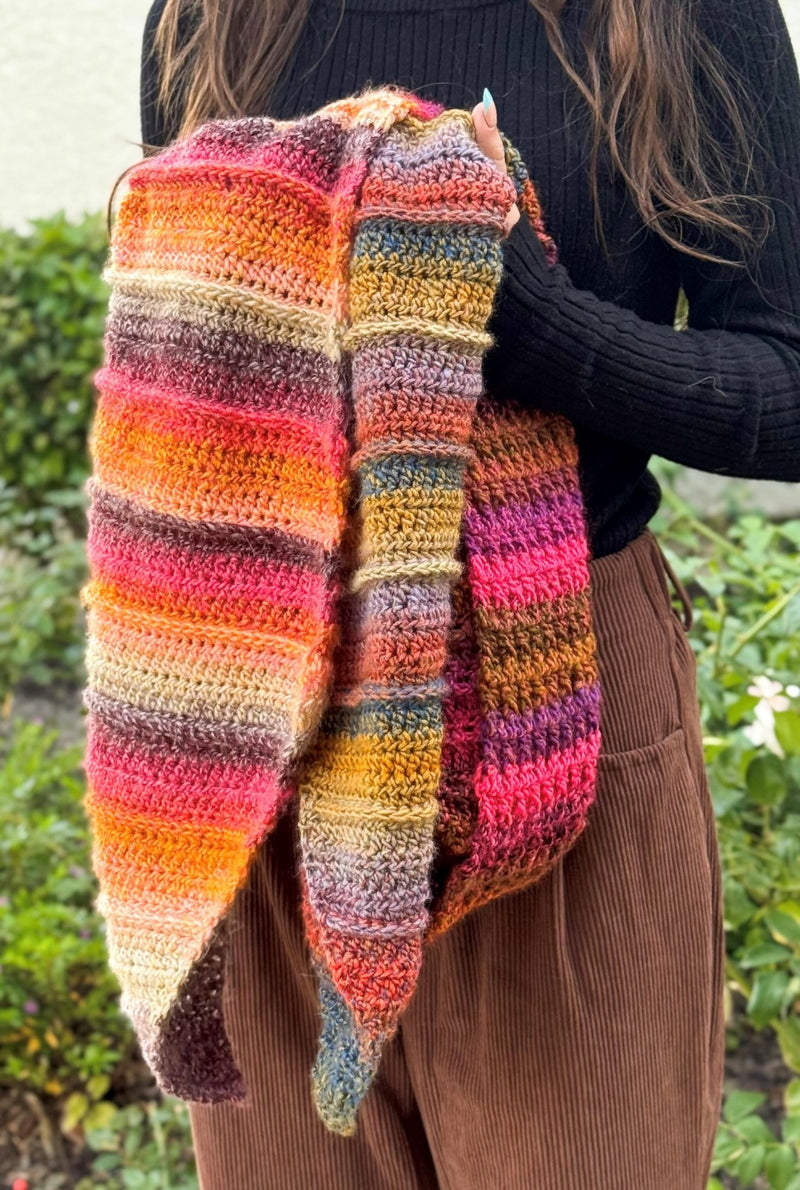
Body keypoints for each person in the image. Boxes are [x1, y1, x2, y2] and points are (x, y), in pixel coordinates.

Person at [135, 1, 800, 1186]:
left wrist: (530, 323)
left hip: (556, 704)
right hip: (274, 706)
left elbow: (786, 384)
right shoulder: (214, 15)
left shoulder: (677, 16)